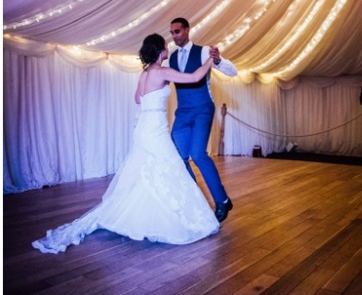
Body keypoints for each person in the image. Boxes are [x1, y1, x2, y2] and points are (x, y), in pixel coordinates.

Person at [33, 34, 220, 254]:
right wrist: (210, 60)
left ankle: (141, 214)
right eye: (165, 46)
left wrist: (156, 93)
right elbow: (195, 77)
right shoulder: (161, 71)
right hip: (155, 130)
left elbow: (138, 99)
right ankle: (179, 220)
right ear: (161, 50)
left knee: (147, 171)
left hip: (143, 127)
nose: (168, 48)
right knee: (171, 167)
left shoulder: (145, 73)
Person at [169, 17, 237, 222]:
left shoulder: (204, 51)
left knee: (197, 154)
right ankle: (196, 201)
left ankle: (222, 200)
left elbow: (232, 71)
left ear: (187, 30)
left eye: (177, 31)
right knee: (179, 158)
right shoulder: (171, 57)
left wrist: (217, 60)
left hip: (202, 109)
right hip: (182, 112)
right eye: (172, 33)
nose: (174, 36)